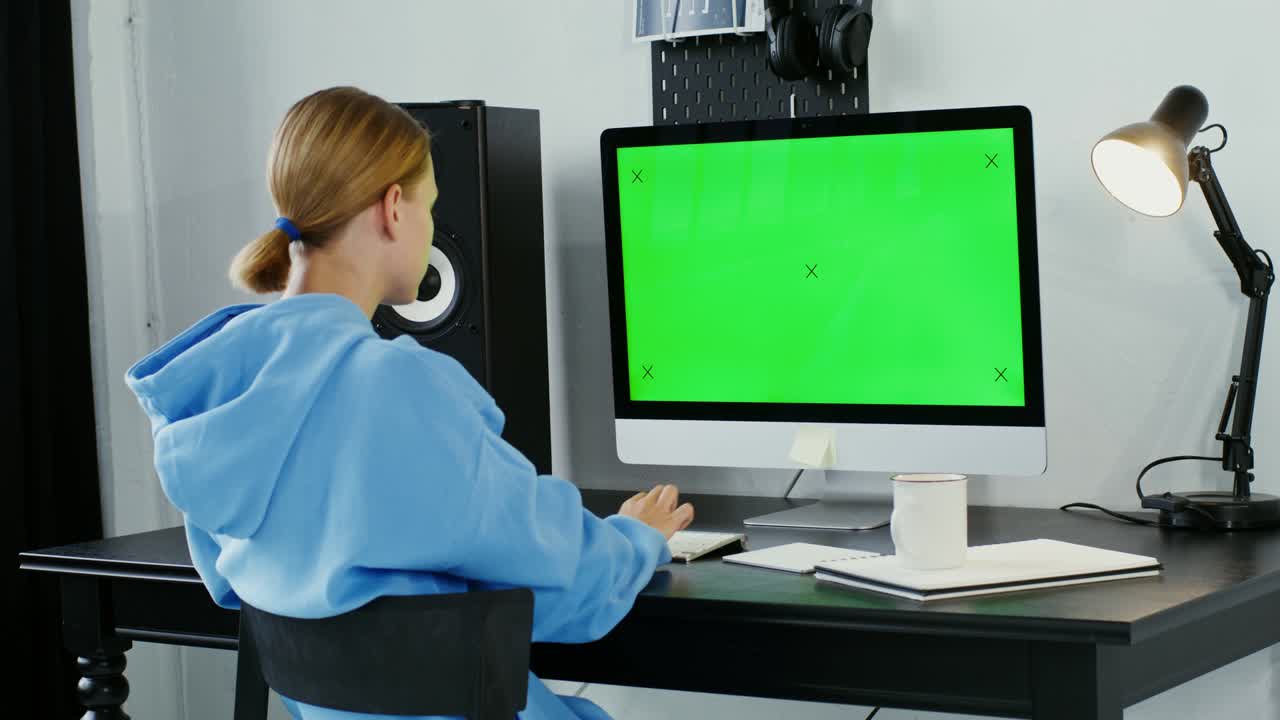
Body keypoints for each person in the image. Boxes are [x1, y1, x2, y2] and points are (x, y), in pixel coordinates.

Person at [125, 86, 694, 720]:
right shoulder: (399, 388)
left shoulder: (213, 390)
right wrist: (633, 540)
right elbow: (564, 587)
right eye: (430, 207)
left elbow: (237, 582)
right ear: (394, 209)